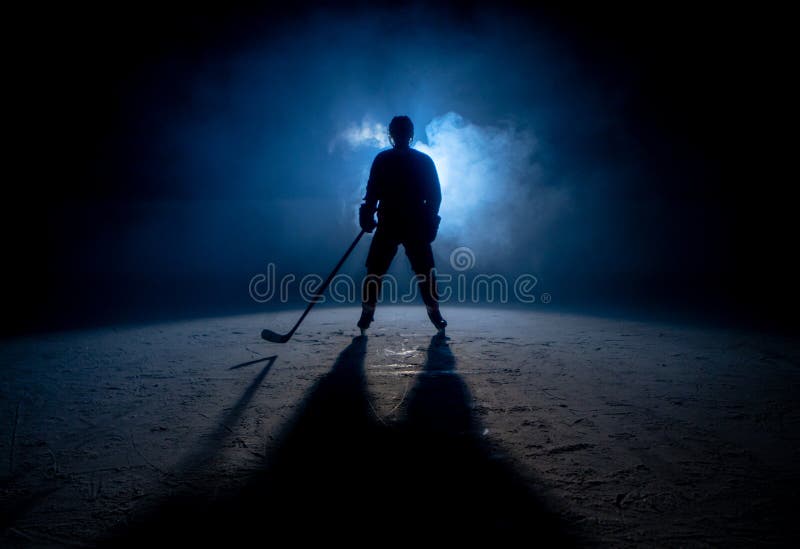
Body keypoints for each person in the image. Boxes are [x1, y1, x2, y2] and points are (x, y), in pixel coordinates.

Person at [357, 115, 447, 334]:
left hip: (406, 222)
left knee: (417, 271)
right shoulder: (412, 160)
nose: (400, 136)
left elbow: (435, 195)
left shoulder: (386, 159)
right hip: (401, 221)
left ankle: (432, 311)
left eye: (400, 132)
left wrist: (429, 220)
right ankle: (369, 312)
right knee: (380, 270)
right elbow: (372, 193)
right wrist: (368, 213)